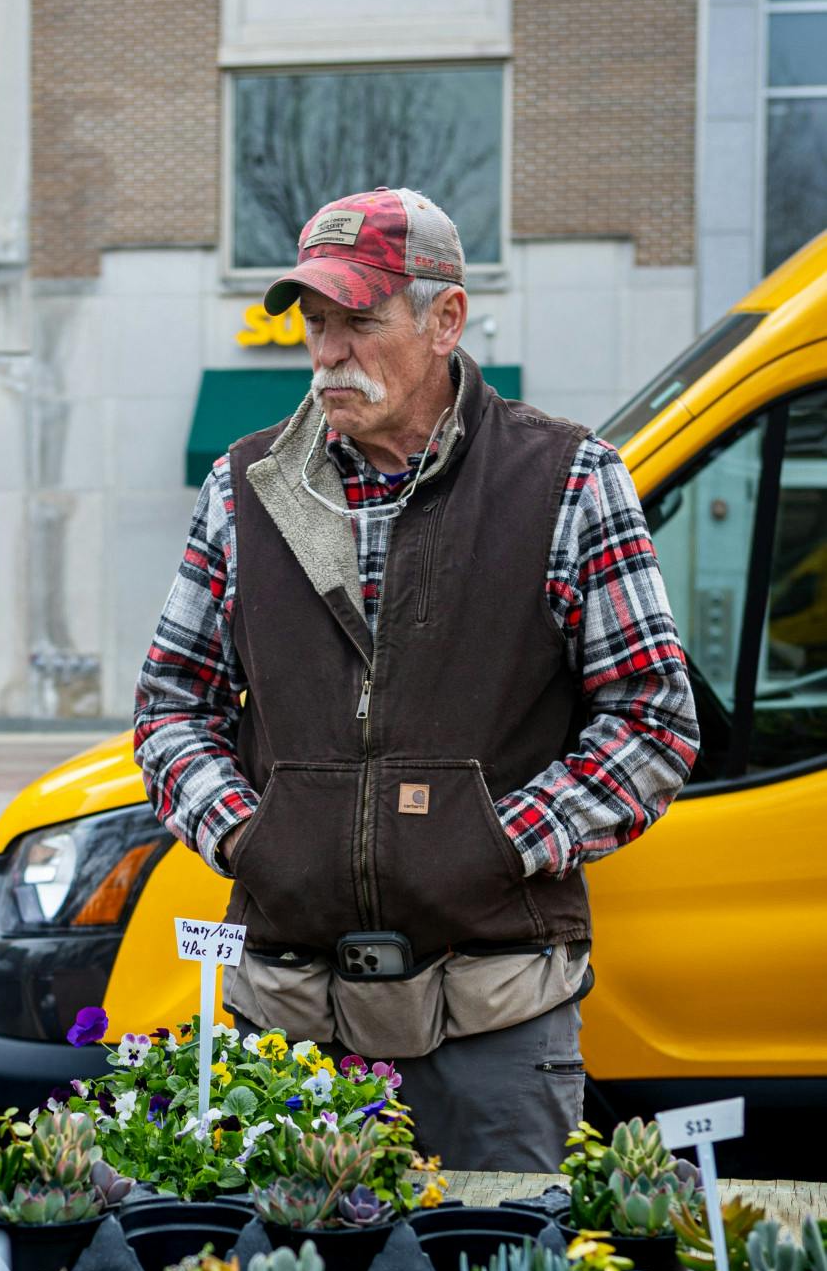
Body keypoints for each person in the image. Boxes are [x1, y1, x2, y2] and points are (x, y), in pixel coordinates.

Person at [135, 186, 699, 1170]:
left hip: (496, 1017)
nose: (327, 350)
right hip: (286, 1018)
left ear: (446, 319)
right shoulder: (245, 483)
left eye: (359, 320)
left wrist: (499, 838)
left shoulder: (566, 477)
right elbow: (169, 707)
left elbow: (653, 719)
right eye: (314, 322)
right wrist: (248, 832)